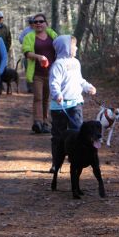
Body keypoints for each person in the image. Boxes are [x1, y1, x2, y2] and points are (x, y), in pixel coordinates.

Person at [49, 35, 97, 172]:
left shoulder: (76, 63)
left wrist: (88, 87)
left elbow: (80, 80)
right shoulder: (57, 65)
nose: (76, 48)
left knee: (78, 134)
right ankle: (56, 163)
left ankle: (77, 159)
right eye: (73, 45)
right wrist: (57, 94)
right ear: (65, 47)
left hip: (75, 104)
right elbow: (54, 83)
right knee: (58, 136)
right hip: (59, 107)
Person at [22, 13, 57, 134]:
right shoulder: (29, 37)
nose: (38, 23)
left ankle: (46, 123)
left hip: (52, 73)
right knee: (38, 97)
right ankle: (37, 122)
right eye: (35, 22)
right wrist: (39, 57)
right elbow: (27, 53)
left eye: (41, 21)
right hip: (37, 73)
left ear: (45, 23)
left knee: (47, 99)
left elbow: (60, 48)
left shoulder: (52, 34)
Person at [18, 16, 35, 93]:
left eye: (33, 22)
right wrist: (26, 42)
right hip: (28, 54)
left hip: (37, 53)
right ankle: (29, 87)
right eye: (30, 22)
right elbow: (20, 38)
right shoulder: (26, 30)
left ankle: (36, 87)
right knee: (28, 70)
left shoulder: (38, 29)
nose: (32, 24)